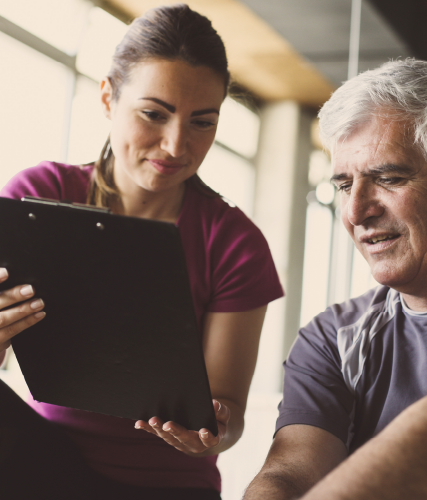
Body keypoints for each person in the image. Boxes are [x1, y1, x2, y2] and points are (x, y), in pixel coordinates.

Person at [0, 4, 283, 499]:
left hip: (167, 487)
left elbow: (228, 413)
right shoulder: (36, 194)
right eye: (154, 113)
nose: (176, 145)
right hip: (45, 462)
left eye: (202, 122)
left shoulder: (235, 242)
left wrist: (213, 430)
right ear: (108, 97)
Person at [244, 58, 427, 500]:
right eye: (344, 185)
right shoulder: (331, 339)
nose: (356, 211)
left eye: (389, 178)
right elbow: (290, 473)